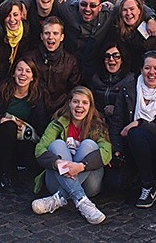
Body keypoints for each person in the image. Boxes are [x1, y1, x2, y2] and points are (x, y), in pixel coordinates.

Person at [32, 86, 112, 225]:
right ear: (69, 103)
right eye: (76, 101)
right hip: (56, 181)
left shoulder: (97, 127)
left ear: (90, 106)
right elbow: (40, 149)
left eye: (84, 102)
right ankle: (81, 200)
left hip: (90, 184)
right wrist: (56, 163)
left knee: (89, 145)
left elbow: (107, 152)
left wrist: (81, 166)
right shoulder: (58, 123)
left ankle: (57, 199)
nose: (79, 106)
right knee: (57, 145)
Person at [109, 51, 156, 207]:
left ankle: (148, 185)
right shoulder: (129, 89)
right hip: (130, 147)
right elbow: (117, 122)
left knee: (136, 132)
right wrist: (116, 148)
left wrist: (140, 123)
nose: (151, 72)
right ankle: (139, 177)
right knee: (113, 185)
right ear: (141, 70)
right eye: (147, 68)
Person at [0, 58, 49, 188]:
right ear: (13, 73)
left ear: (33, 77)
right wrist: (0, 119)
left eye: (28, 71)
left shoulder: (38, 95)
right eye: (19, 70)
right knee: (9, 126)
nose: (23, 74)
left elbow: (41, 124)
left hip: (22, 141)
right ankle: (5, 172)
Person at [22, 16, 81, 113]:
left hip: (61, 109)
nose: (50, 37)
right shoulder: (29, 58)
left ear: (62, 37)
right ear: (41, 36)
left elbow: (74, 90)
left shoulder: (71, 62)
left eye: (55, 33)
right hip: (32, 107)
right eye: (47, 33)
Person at [109, 0, 156, 73]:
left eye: (132, 9)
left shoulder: (152, 27)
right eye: (124, 10)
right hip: (126, 76)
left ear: (139, 10)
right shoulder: (116, 30)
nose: (128, 13)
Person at [89, 44, 135, 119]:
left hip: (120, 121)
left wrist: (116, 109)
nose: (111, 59)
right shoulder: (96, 78)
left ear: (122, 59)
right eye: (107, 56)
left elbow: (133, 106)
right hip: (98, 119)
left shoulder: (130, 80)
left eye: (116, 56)